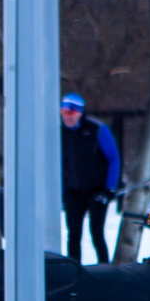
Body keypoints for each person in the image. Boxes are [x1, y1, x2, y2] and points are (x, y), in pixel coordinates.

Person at [60, 92, 122, 264]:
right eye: (64, 112)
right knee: (73, 234)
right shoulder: (59, 132)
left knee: (96, 232)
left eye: (71, 113)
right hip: (73, 191)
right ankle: (74, 271)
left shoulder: (97, 129)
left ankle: (105, 268)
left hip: (97, 191)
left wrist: (110, 188)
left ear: (80, 112)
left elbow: (113, 158)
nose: (67, 117)